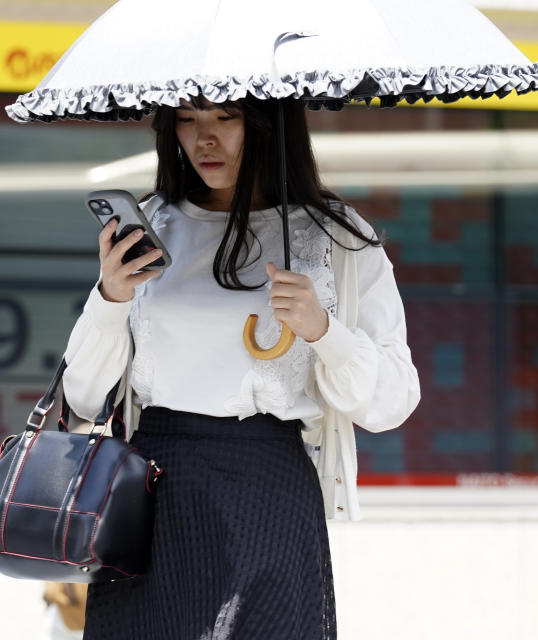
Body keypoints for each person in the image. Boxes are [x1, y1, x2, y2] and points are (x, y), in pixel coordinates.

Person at [61, 94, 421, 640]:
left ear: (269, 126)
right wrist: (109, 297)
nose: (205, 138)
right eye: (187, 120)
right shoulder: (155, 224)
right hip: (154, 491)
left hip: (267, 490)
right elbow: (84, 396)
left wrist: (324, 331)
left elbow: (393, 401)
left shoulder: (338, 240)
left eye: (226, 119)